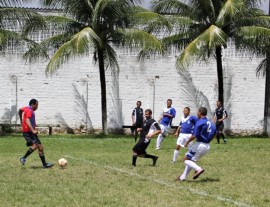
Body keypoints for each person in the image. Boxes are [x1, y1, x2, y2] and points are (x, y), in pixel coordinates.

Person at [176, 107, 216, 181]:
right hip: (207, 146)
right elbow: (214, 134)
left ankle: (199, 169)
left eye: (198, 112)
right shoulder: (211, 123)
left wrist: (187, 143)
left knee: (185, 159)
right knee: (191, 161)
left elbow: (194, 135)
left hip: (200, 144)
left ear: (200, 113)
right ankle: (182, 177)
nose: (197, 114)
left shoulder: (200, 122)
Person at [19, 99, 54, 168]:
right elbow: (27, 120)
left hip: (31, 133)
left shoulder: (26, 108)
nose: (37, 107)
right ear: (32, 104)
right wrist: (32, 130)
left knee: (40, 147)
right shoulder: (29, 110)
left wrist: (20, 120)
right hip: (28, 132)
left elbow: (20, 110)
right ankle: (23, 158)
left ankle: (44, 164)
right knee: (35, 145)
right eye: (36, 105)